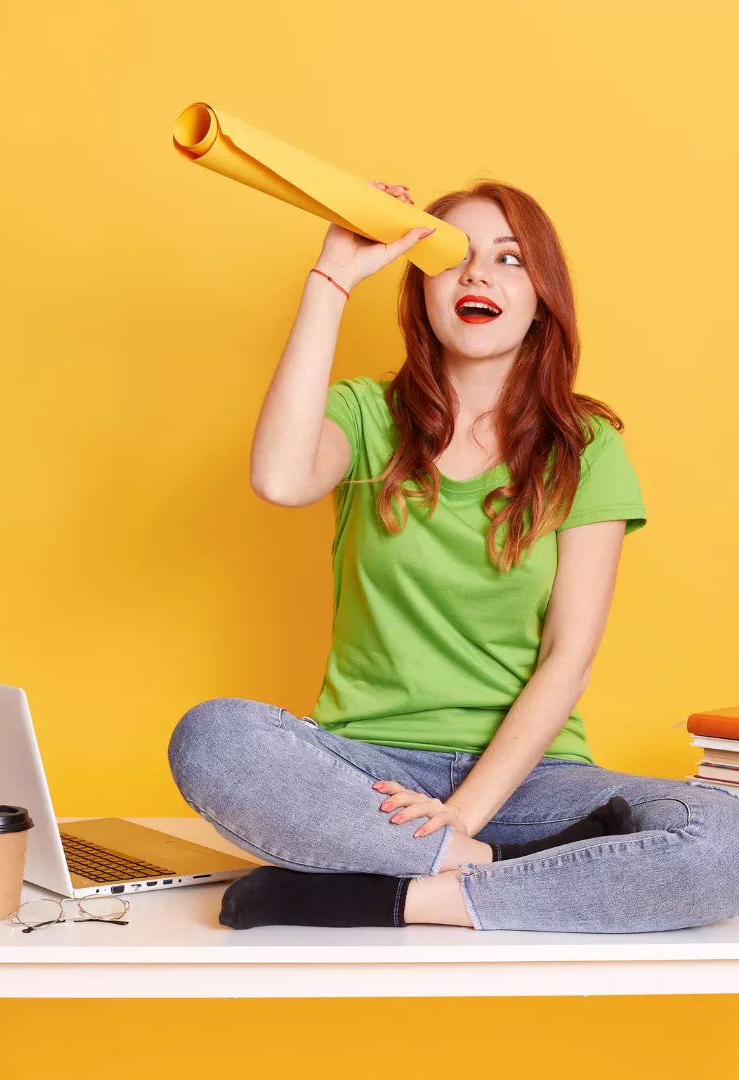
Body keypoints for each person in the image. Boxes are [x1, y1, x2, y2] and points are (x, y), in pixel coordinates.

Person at [167, 179, 739, 933]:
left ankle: (387, 897)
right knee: (213, 737)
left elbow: (567, 659)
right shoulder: (365, 414)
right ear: (420, 288)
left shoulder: (586, 448)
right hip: (368, 775)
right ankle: (500, 870)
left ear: (542, 298)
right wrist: (332, 278)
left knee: (724, 836)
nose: (477, 274)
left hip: (532, 779)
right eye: (453, 256)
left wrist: (464, 813)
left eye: (509, 259)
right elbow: (278, 478)